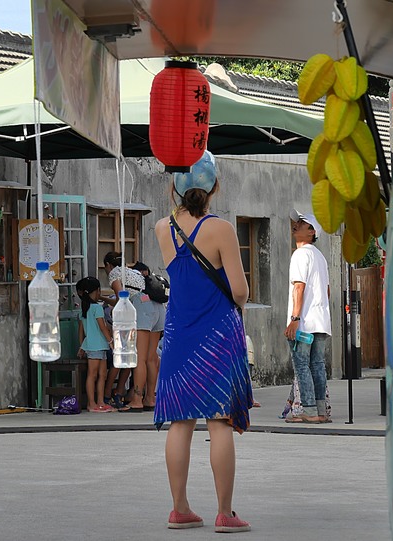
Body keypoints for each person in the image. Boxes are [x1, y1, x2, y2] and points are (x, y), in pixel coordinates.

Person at [154, 150, 253, 533]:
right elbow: (241, 291)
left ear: (174, 188)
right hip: (216, 335)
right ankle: (225, 513)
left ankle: (179, 507)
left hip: (178, 333)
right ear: (214, 187)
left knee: (180, 422)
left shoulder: (163, 227)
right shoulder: (221, 230)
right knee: (219, 422)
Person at [283, 211, 332, 424]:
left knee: (302, 365)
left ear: (312, 232)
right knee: (317, 365)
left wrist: (294, 318)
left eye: (302, 223)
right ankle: (321, 412)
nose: (296, 225)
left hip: (304, 322)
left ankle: (309, 411)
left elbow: (299, 287)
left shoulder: (300, 255)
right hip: (321, 320)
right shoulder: (320, 257)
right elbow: (327, 291)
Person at [101, 252, 165, 412]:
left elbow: (121, 300)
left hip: (141, 308)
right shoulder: (134, 272)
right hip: (158, 307)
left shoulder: (115, 273)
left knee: (139, 358)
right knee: (151, 358)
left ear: (108, 265)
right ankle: (150, 398)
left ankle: (136, 399)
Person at [76, 277, 114, 413]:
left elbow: (80, 331)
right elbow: (103, 327)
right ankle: (92, 403)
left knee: (100, 374)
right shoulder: (97, 308)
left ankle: (100, 402)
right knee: (95, 375)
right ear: (96, 291)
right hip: (97, 345)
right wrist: (111, 341)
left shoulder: (84, 309)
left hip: (95, 345)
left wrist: (81, 346)